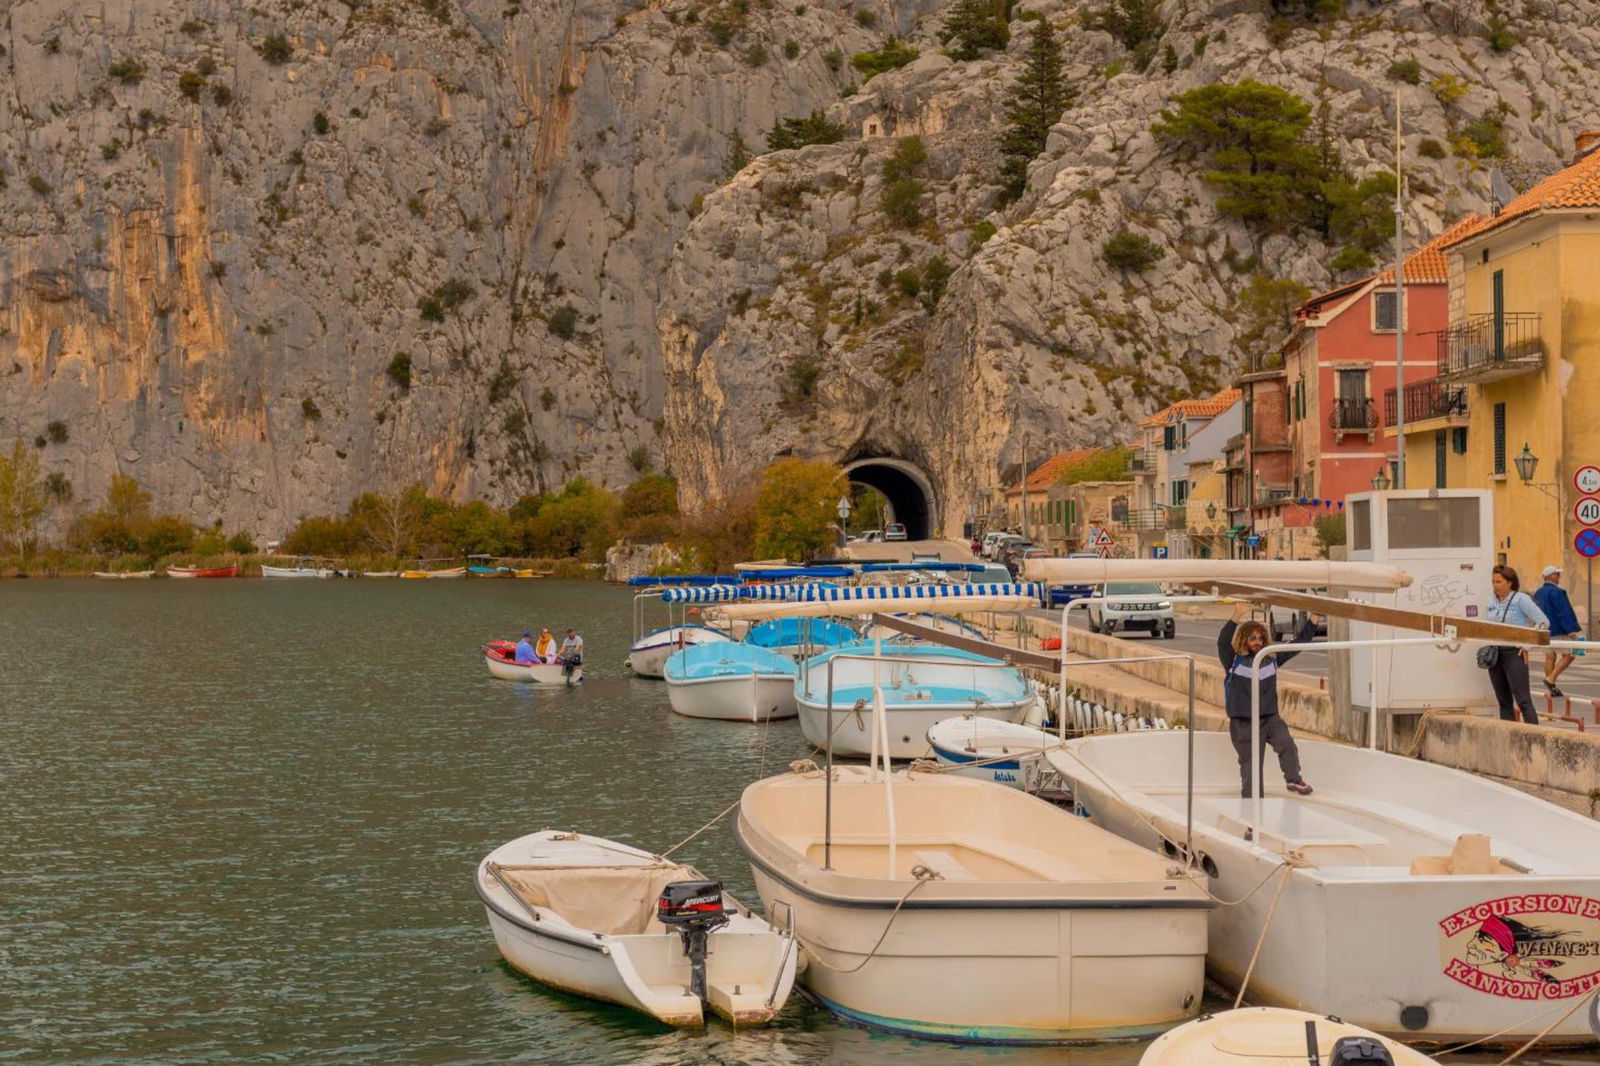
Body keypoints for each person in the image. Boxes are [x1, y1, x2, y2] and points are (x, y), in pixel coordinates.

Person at [1217, 602, 1317, 799]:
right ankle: (1252, 819)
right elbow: (1222, 642)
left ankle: (1293, 779)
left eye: (1260, 637)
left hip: (1270, 718)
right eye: (1252, 638)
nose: (1257, 642)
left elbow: (1298, 644)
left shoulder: (1270, 659)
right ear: (1243, 640)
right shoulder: (1233, 661)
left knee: (1287, 744)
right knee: (1251, 770)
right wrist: (1237, 614)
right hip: (1243, 723)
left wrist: (1314, 618)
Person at [1485, 565, 1548, 725]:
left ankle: (1534, 739)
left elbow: (1543, 622)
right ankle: (1511, 739)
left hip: (1514, 653)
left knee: (1523, 700)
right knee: (1504, 701)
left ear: (1510, 582)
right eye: (1493, 582)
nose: (1495, 586)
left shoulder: (1521, 599)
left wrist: (1526, 645)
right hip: (1495, 653)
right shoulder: (1492, 600)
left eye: (1498, 582)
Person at [1530, 565, 1583, 697]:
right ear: (1552, 576)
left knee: (1550, 656)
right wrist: (1571, 629)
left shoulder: (1538, 592)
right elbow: (1563, 612)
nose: (1560, 577)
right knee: (1570, 655)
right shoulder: (1557, 592)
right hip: (1558, 631)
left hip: (1543, 631)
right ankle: (1551, 679)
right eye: (1558, 574)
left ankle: (1551, 688)